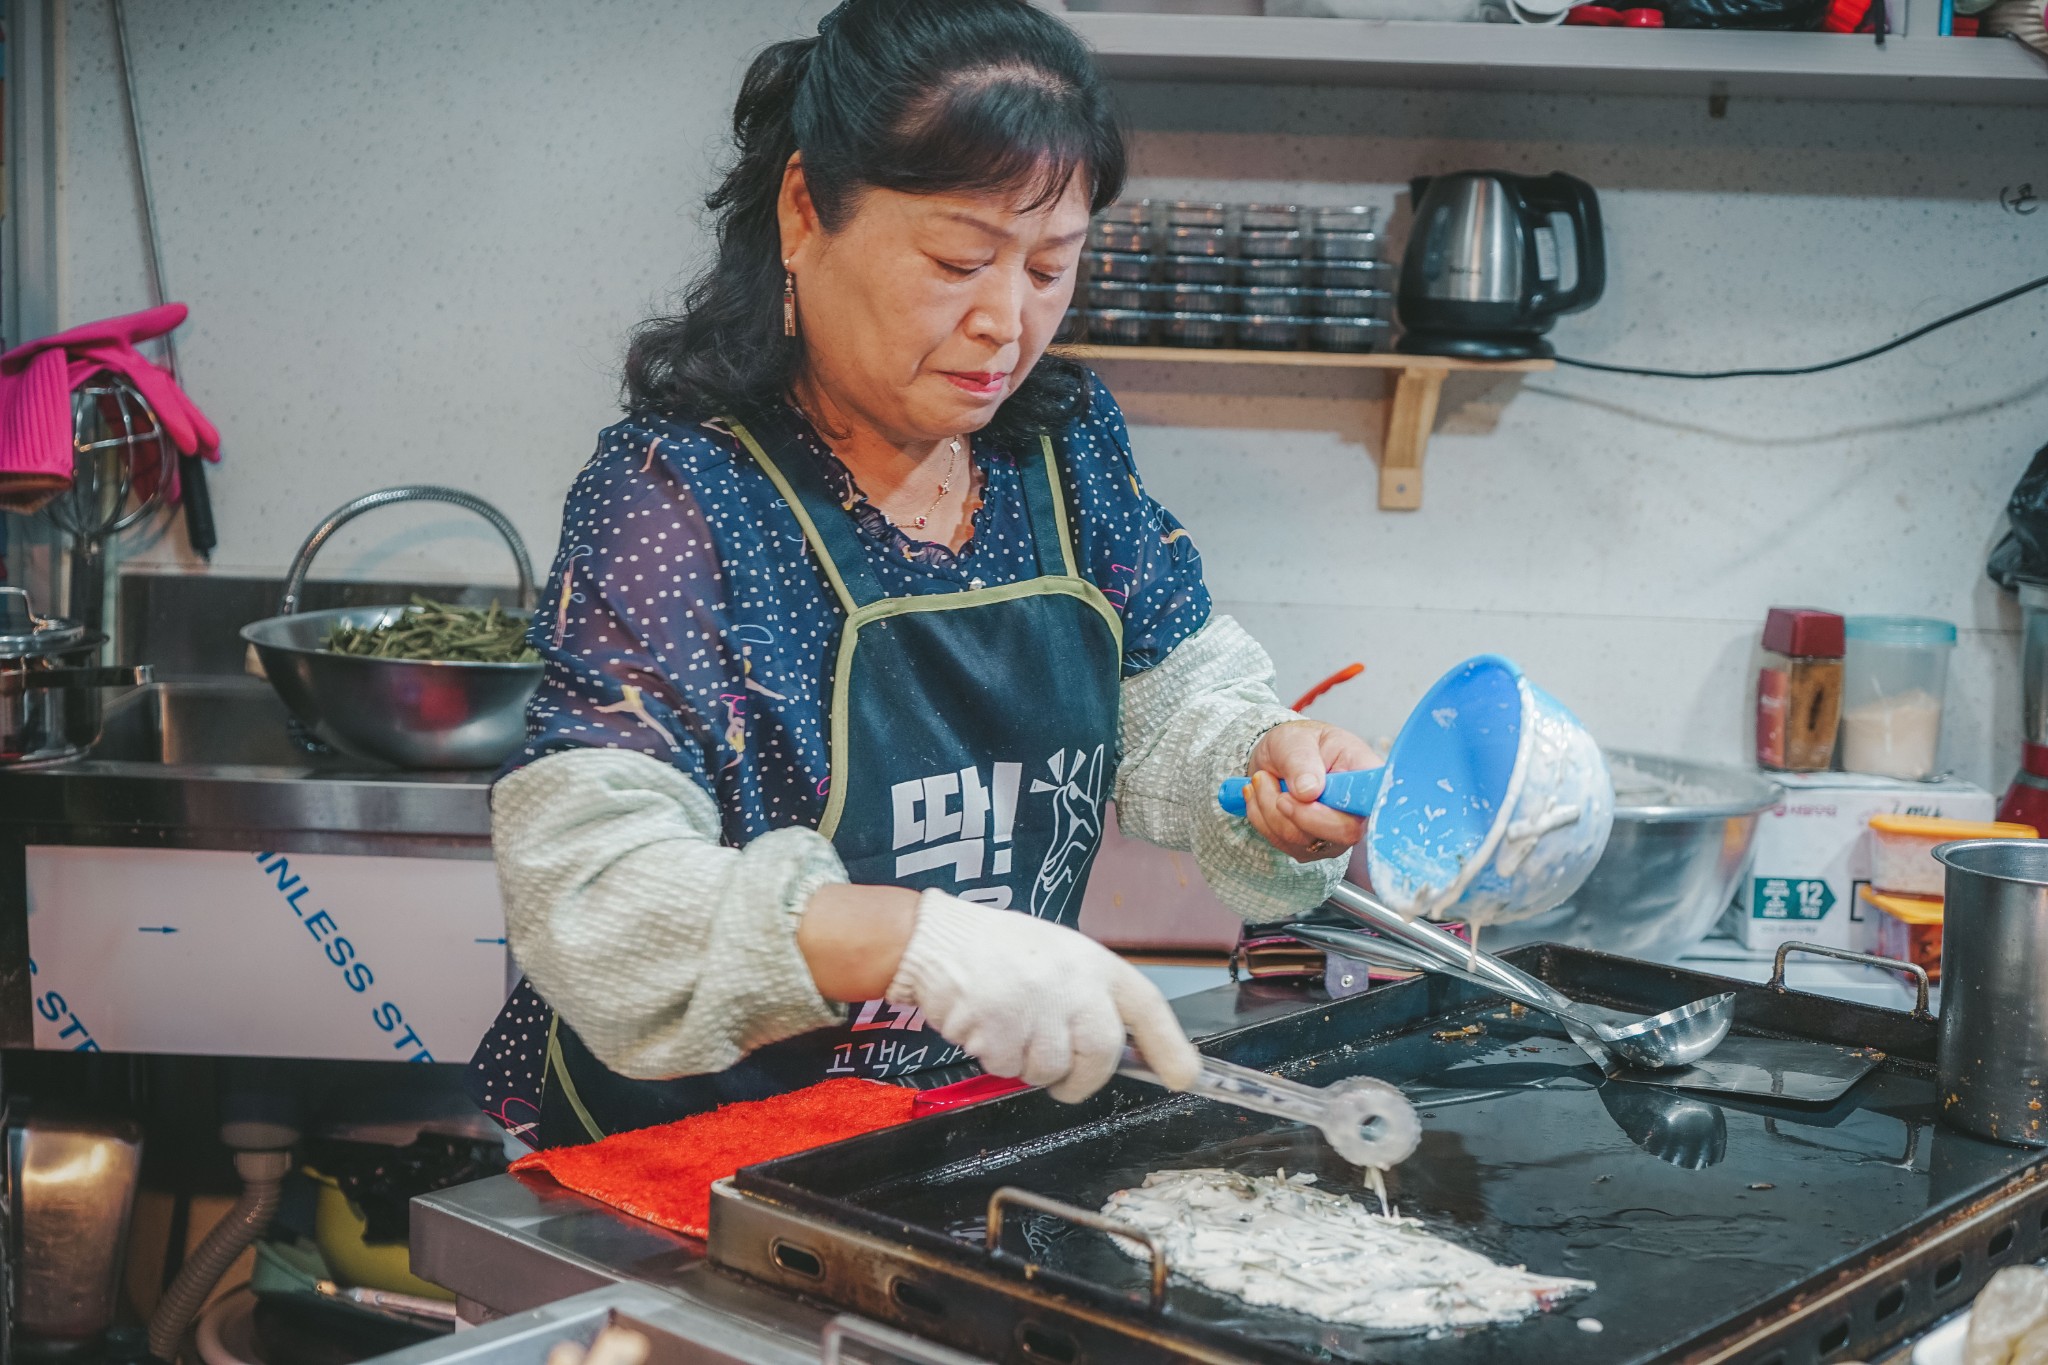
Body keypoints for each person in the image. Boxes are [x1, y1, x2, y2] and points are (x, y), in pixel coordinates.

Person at [466, 0, 1380, 1149]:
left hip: (950, 1146)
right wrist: (910, 942)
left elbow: (1168, 705)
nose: (1007, 324)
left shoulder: (1059, 447)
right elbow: (591, 893)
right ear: (805, 214)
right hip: (695, 1166)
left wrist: (1264, 766)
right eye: (957, 261)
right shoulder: (681, 498)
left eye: (1052, 267)